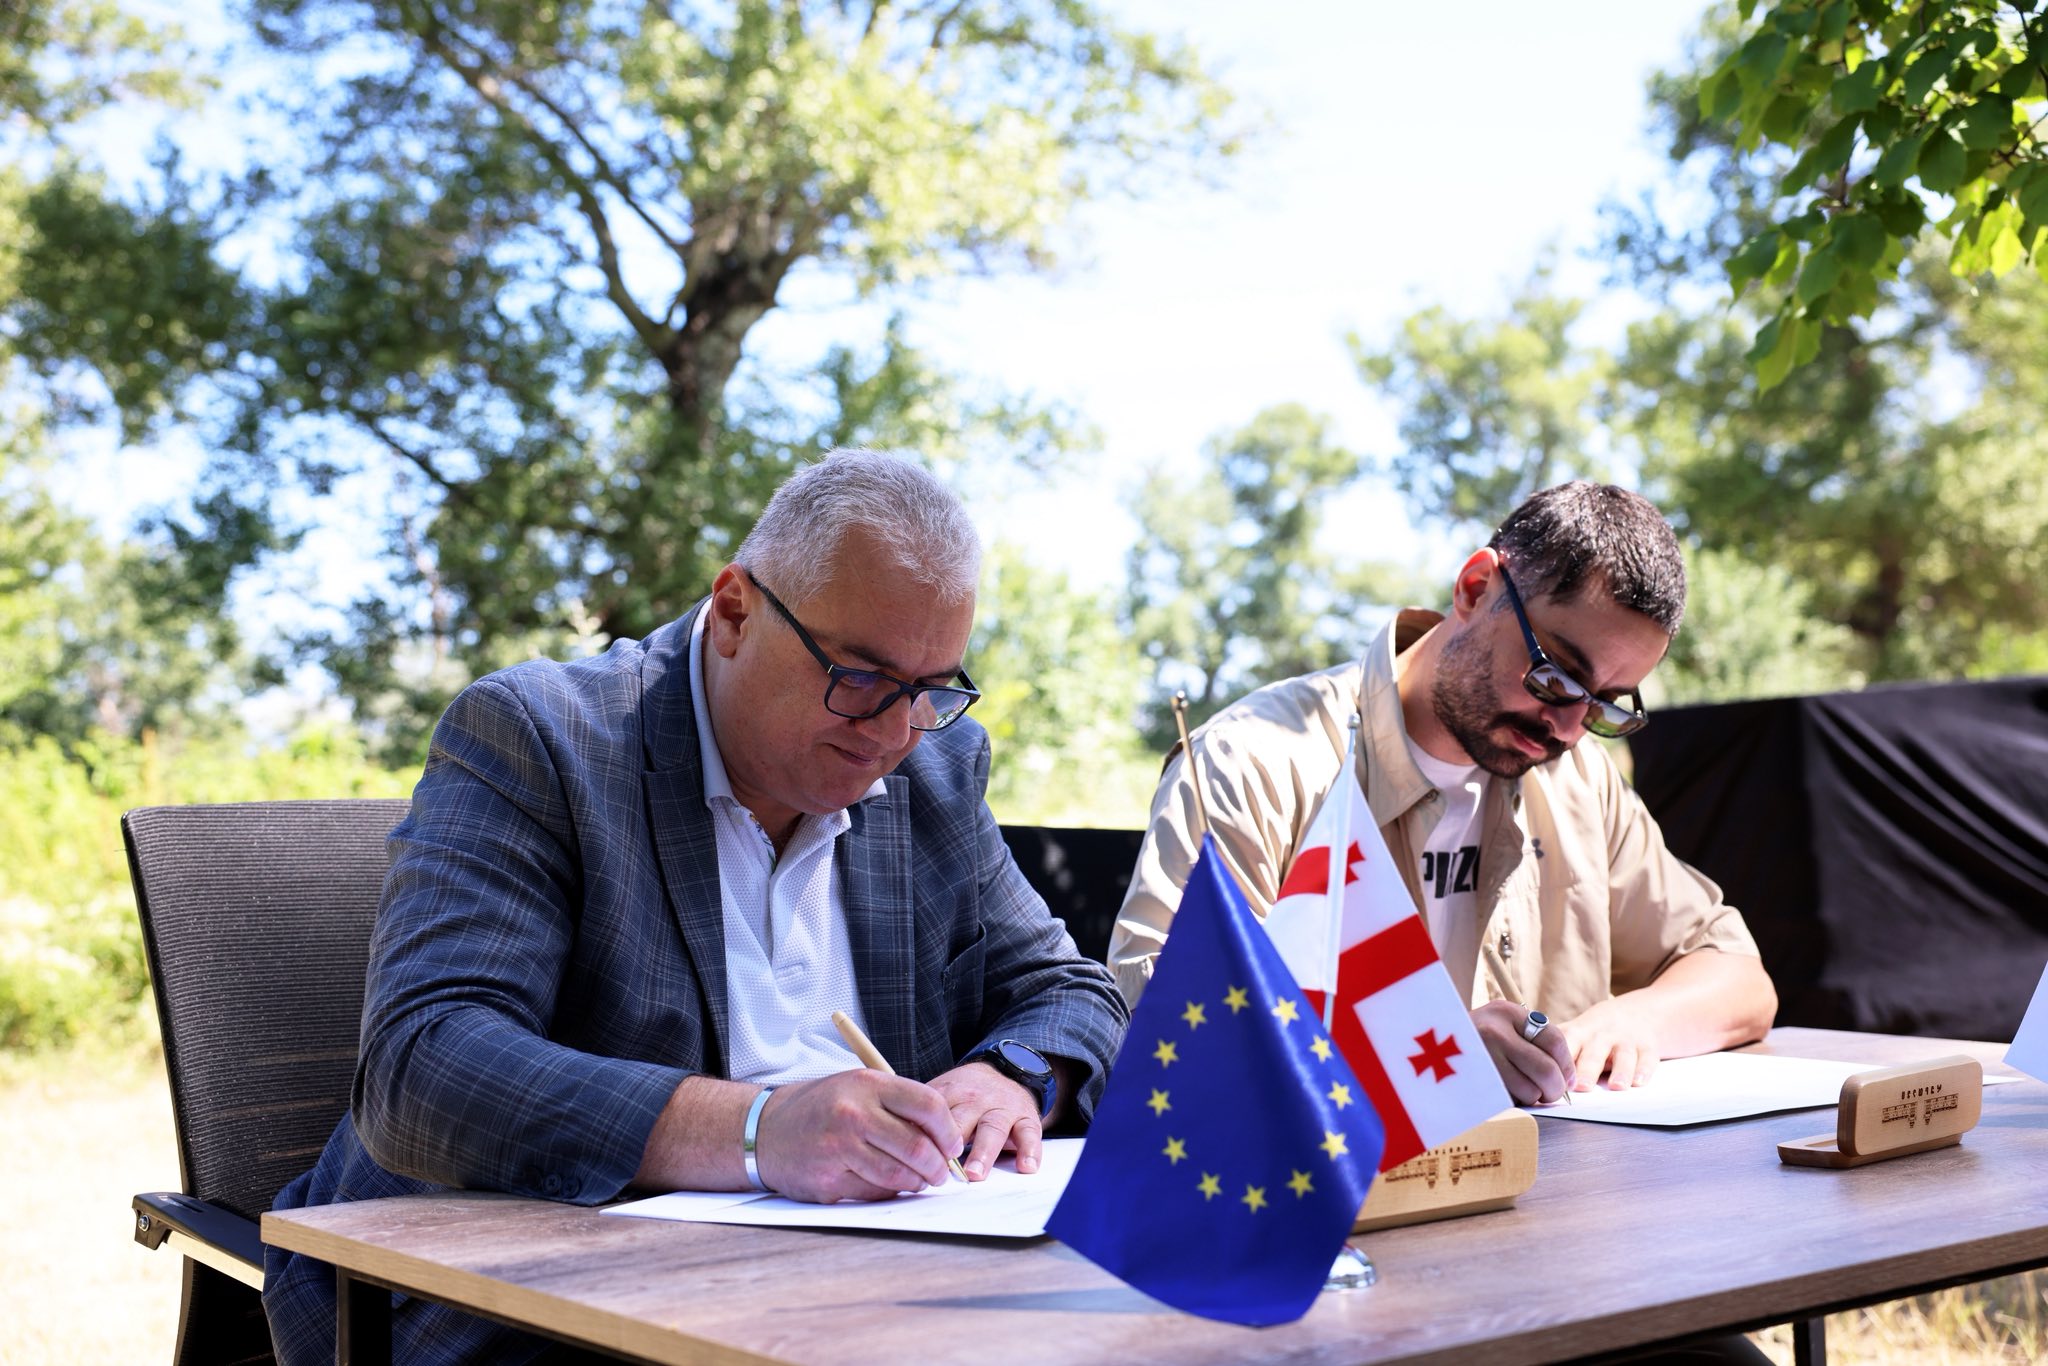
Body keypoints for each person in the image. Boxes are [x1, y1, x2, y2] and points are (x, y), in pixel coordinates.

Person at [265, 450, 1128, 1364]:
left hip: (861, 1288)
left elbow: (1071, 992)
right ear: (734, 612)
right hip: (531, 1300)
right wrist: (760, 1131)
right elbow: (425, 1065)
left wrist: (1011, 1074)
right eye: (860, 677)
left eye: (928, 691)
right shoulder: (546, 738)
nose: (890, 732)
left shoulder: (934, 770)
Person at [1109, 481, 1777, 1108]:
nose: (1569, 728)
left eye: (1604, 704)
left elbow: (1739, 977)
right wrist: (1431, 1056)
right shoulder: (1257, 759)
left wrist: (1633, 1021)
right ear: (1476, 587)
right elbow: (1165, 1020)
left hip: (1556, 1181)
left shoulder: (1578, 777)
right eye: (1555, 676)